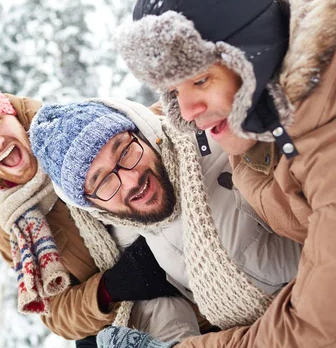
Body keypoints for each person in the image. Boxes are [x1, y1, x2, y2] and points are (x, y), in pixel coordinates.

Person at [110, 0, 336, 347]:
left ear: (251, 53)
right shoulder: (289, 92)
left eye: (200, 80)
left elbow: (314, 334)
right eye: (175, 91)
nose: (187, 112)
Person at [0, 78, 202, 346]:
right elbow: (57, 312)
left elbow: (144, 127)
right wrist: (112, 288)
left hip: (195, 254)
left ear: (13, 114)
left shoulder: (69, 134)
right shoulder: (12, 226)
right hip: (149, 313)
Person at [29, 98, 302, 333]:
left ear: (143, 134)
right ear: (92, 205)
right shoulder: (135, 233)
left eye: (125, 151)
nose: (131, 180)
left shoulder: (221, 146)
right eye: (103, 182)